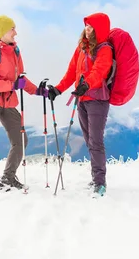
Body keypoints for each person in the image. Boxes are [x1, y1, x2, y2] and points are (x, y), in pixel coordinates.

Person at [47, 12, 114, 196]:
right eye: (86, 25)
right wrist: (59, 89)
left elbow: (100, 71)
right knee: (89, 141)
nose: (87, 29)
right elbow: (71, 73)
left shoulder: (105, 49)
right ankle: (95, 179)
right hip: (82, 99)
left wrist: (86, 85)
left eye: (91, 26)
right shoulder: (81, 48)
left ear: (98, 29)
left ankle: (100, 183)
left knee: (96, 141)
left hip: (98, 99)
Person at [0, 15, 46, 190]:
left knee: (21, 139)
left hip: (8, 102)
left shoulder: (15, 51)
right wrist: (12, 85)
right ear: (2, 31)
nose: (16, 32)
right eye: (12, 29)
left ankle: (8, 176)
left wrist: (38, 91)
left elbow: (21, 78)